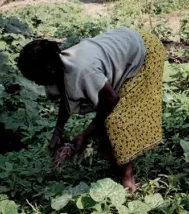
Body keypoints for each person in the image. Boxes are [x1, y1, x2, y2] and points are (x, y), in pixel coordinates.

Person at [17, 27, 165, 193]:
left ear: (48, 70)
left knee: (117, 120)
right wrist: (58, 131)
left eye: (36, 78)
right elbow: (65, 96)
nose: (36, 83)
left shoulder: (83, 70)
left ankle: (127, 178)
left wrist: (86, 134)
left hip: (144, 51)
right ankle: (114, 159)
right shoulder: (57, 67)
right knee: (104, 123)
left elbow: (111, 100)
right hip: (125, 43)